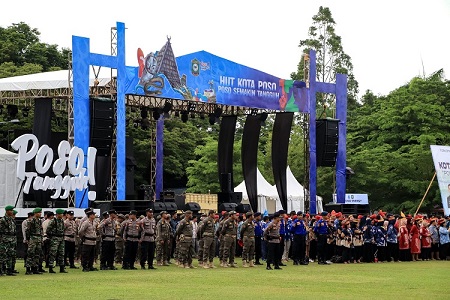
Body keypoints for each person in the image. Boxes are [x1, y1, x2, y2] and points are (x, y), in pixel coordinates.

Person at [46, 208, 67, 273]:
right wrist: (52, 236)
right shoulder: (53, 221)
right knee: (53, 253)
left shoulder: (62, 221)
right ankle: (50, 267)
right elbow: (48, 230)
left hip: (61, 238)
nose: (62, 215)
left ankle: (62, 267)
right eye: (61, 214)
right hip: (54, 239)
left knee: (61, 253)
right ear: (58, 214)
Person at [25, 207, 44, 275]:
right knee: (30, 254)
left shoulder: (39, 221)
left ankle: (35, 268)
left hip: (38, 238)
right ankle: (28, 268)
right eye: (39, 212)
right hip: (33, 238)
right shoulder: (31, 221)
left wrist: (41, 239)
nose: (40, 214)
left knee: (37, 254)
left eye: (40, 212)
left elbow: (41, 230)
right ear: (35, 213)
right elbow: (27, 230)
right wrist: (28, 239)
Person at [0, 205, 17, 276]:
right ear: (7, 211)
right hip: (4, 239)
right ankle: (1, 270)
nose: (12, 212)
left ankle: (9, 270)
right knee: (3, 255)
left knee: (10, 255)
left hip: (11, 239)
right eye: (11, 210)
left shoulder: (12, 220)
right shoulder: (3, 220)